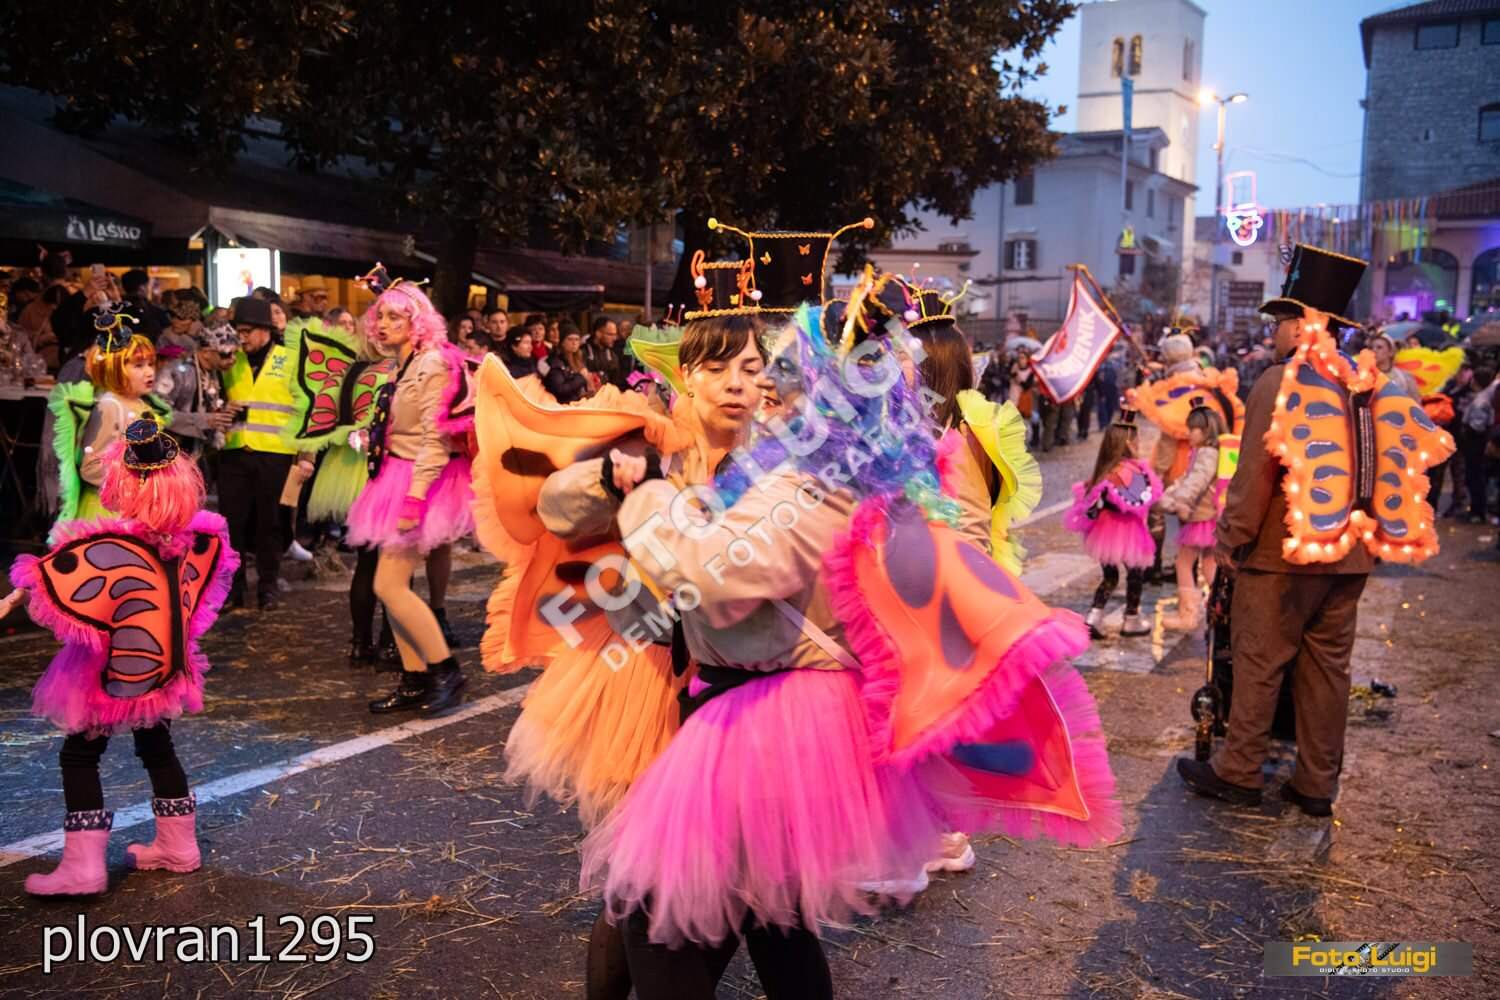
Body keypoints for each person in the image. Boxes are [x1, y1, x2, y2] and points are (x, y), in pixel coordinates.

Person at [1179, 245, 1452, 817]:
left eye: (1280, 321)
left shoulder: (1279, 382)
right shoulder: (1372, 384)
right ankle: (1316, 783)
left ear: (1304, 324)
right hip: (1350, 555)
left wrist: (1230, 540)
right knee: (1328, 670)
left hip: (1280, 556)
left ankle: (1239, 769)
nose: (1273, 332)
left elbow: (1254, 475)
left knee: (1260, 661)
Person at [3, 419, 237, 896]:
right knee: (157, 745)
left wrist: (11, 598)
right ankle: (178, 847)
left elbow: (52, 578)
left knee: (80, 754)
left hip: (111, 670)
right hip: (162, 667)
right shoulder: (195, 542)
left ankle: (83, 868)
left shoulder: (112, 548)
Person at [350, 268, 473, 717]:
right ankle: (416, 676)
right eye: (380, 316)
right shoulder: (404, 363)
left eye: (395, 318)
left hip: (420, 482)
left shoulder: (432, 363)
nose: (383, 324)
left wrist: (415, 497)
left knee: (389, 584)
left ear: (416, 321)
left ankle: (445, 671)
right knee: (392, 586)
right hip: (395, 475)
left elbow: (435, 440)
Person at [48, 306, 168, 529]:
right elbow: (91, 466)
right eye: (138, 365)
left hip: (136, 507)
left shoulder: (142, 405)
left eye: (151, 364)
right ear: (116, 368)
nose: (149, 372)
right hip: (109, 511)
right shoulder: (110, 406)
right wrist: (130, 481)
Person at [218, 295, 298, 611]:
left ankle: (268, 587)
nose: (242, 338)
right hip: (234, 452)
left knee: (270, 524)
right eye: (238, 331)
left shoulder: (289, 359)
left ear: (265, 330)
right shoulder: (229, 359)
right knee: (231, 524)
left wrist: (305, 456)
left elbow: (304, 409)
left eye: (247, 331)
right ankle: (233, 589)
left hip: (275, 453)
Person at [1065, 411, 1159, 638]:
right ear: (1129, 443)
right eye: (1136, 440)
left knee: (1110, 576)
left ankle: (1094, 615)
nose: (1139, 444)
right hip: (1128, 530)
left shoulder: (1104, 471)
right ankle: (1131, 618)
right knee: (1135, 573)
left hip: (1103, 532)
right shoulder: (1133, 471)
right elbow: (1143, 499)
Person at [1153, 401, 1225, 631]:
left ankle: (1188, 615)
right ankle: (1223, 608)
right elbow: (1185, 480)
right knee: (1209, 565)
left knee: (1183, 563)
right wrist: (1167, 498)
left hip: (1201, 517)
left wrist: (1181, 501)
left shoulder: (1206, 454)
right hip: (1210, 516)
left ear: (1205, 431)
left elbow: (1195, 481)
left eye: (1192, 429)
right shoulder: (1207, 452)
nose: (1188, 434)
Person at [152, 322, 238, 455]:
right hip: (169, 453)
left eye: (235, 353)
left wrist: (223, 413)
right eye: (226, 354)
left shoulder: (214, 373)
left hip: (197, 454)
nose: (233, 359)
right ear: (206, 352)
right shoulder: (177, 371)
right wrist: (202, 420)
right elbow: (156, 412)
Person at [542, 322, 593, 403]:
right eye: (570, 339)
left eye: (577, 339)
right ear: (562, 342)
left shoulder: (579, 359)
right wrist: (581, 377)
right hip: (562, 405)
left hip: (579, 401)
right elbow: (560, 390)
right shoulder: (556, 361)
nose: (574, 343)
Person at [581, 316, 630, 391]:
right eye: (610, 334)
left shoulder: (612, 355)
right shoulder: (583, 352)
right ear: (598, 333)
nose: (614, 338)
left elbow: (616, 382)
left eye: (615, 334)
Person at [1369, 333, 1421, 400]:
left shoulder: (1405, 377)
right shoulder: (1368, 377)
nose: (1374, 350)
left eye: (1379, 347)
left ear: (1390, 352)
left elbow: (1416, 402)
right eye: (1371, 348)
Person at [119, 269, 167, 342]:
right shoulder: (148, 308)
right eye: (147, 285)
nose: (148, 288)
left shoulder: (117, 308)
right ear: (142, 287)